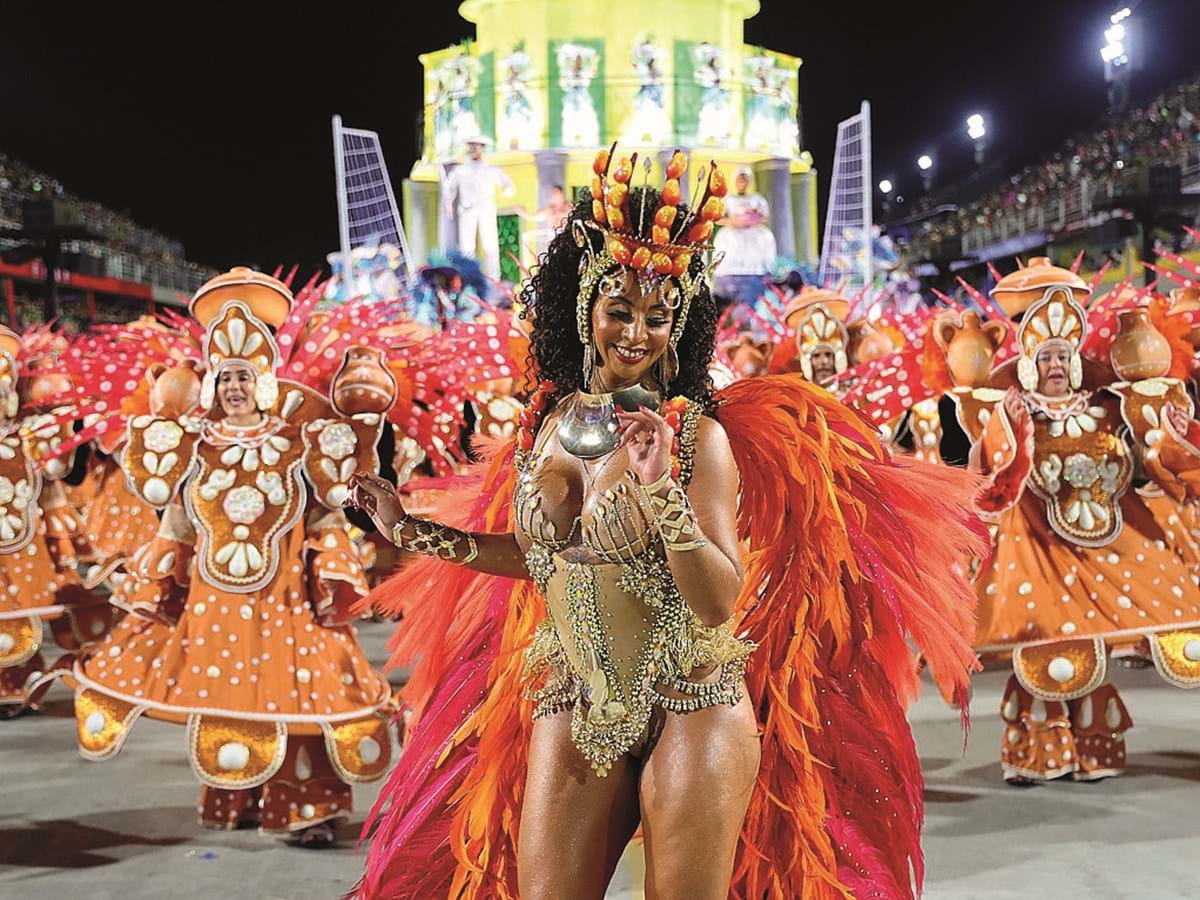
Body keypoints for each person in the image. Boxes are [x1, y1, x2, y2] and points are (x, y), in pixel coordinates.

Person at [347, 147, 984, 899]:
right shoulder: (546, 424)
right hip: (574, 694)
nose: (637, 334)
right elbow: (539, 556)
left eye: (659, 316)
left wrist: (661, 496)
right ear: (582, 305)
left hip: (693, 698)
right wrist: (411, 531)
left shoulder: (693, 438)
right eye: (621, 310)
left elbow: (719, 597)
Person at [66, 268, 395, 845]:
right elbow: (177, 523)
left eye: (244, 376)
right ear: (212, 384)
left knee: (305, 695)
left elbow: (327, 502)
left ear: (262, 380)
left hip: (289, 600)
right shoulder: (195, 445)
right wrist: (157, 580)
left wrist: (333, 557)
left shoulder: (298, 439)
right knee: (230, 693)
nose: (235, 388)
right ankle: (237, 792)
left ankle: (307, 811)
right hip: (217, 601)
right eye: (226, 379)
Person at [968, 287, 1200, 784]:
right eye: (1046, 356)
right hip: (1039, 549)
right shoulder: (1013, 412)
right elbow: (993, 473)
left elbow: (1152, 452)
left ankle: (1094, 749)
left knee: (1095, 644)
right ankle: (1039, 752)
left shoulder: (1107, 408)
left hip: (1105, 546)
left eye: (1063, 355)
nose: (1055, 364)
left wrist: (1168, 422)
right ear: (1031, 364)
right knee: (1045, 646)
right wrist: (1008, 424)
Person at [443, 136, 515, 281]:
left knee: (490, 246)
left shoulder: (490, 169)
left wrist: (507, 190)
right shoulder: (460, 170)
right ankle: (468, 277)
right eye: (470, 146)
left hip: (486, 209)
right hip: (467, 210)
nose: (472, 149)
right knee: (467, 247)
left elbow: (508, 185)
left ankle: (494, 279)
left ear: (481, 148)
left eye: (476, 146)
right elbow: (449, 188)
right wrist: (449, 202)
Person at [713, 167, 776, 306]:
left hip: (752, 234)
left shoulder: (756, 198)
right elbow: (717, 218)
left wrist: (752, 219)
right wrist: (734, 222)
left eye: (745, 180)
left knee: (763, 238)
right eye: (740, 179)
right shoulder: (728, 199)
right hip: (733, 234)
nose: (742, 183)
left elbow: (764, 217)